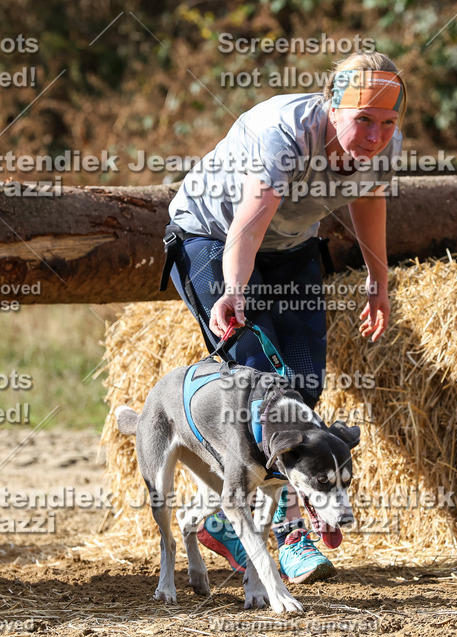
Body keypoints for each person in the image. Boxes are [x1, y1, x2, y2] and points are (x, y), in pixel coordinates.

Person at [161, 51, 405, 583]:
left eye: (388, 123)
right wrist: (233, 291)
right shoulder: (285, 132)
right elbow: (245, 229)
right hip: (211, 234)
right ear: (331, 106)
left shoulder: (383, 147)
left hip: (290, 244)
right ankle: (276, 531)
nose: (374, 136)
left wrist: (378, 281)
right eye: (363, 119)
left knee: (304, 387)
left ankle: (262, 523)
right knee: (260, 382)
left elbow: (368, 200)